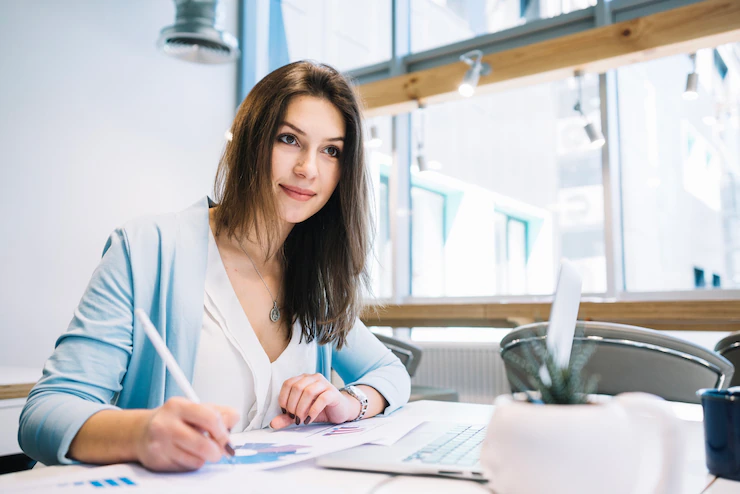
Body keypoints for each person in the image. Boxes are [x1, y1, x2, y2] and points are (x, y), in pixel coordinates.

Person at [19, 61, 411, 472]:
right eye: (289, 139)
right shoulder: (148, 249)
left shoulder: (315, 279)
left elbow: (389, 372)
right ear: (251, 141)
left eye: (331, 150)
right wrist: (141, 433)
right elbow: (45, 413)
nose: (308, 169)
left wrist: (350, 402)